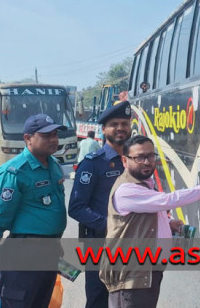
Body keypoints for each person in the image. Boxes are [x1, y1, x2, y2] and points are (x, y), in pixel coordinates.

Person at [99, 135, 200, 308]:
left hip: (146, 272)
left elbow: (150, 211)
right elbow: (168, 200)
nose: (147, 162)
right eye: (139, 157)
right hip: (130, 278)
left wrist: (168, 222)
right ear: (125, 160)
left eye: (150, 156)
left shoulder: (145, 183)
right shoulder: (126, 189)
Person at [0, 114, 68, 307]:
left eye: (55, 134)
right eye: (46, 135)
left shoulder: (53, 165)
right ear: (27, 138)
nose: (54, 139)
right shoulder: (13, 172)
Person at [69, 100, 131, 308]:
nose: (120, 128)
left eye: (124, 123)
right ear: (104, 129)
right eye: (114, 124)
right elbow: (76, 207)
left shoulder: (136, 160)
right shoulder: (93, 163)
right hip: (100, 243)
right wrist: (110, 225)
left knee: (128, 298)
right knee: (98, 299)